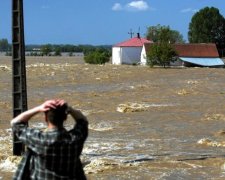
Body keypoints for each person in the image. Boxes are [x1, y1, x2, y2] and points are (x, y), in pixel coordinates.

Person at [11, 99, 88, 180]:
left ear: (45, 118)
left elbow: (15, 122)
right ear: (65, 118)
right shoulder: (74, 139)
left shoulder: (39, 140)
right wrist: (70, 109)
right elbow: (83, 121)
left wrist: (39, 108)